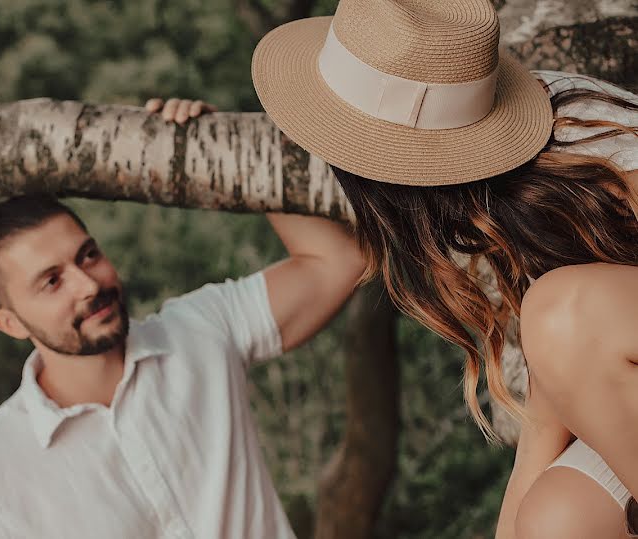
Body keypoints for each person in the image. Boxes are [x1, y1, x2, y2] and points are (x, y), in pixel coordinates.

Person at [250, 0, 637, 537]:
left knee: (559, 309)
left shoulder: (578, 138)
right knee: (554, 521)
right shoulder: (469, 214)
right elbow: (553, 399)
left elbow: (571, 331)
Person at [0, 100, 366, 538]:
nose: (88, 284)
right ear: (9, 323)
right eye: (52, 281)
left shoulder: (202, 329)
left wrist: (223, 145)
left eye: (88, 255)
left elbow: (336, 262)